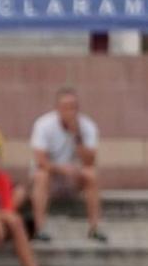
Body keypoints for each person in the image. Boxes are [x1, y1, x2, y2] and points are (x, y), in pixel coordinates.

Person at [29, 88, 107, 243]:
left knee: (91, 174)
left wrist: (77, 136)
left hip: (73, 178)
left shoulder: (87, 126)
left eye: (73, 107)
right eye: (65, 107)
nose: (70, 111)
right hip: (51, 176)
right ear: (57, 109)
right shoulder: (43, 124)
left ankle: (94, 228)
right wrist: (60, 169)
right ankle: (39, 228)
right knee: (41, 175)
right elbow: (40, 160)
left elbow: (90, 161)